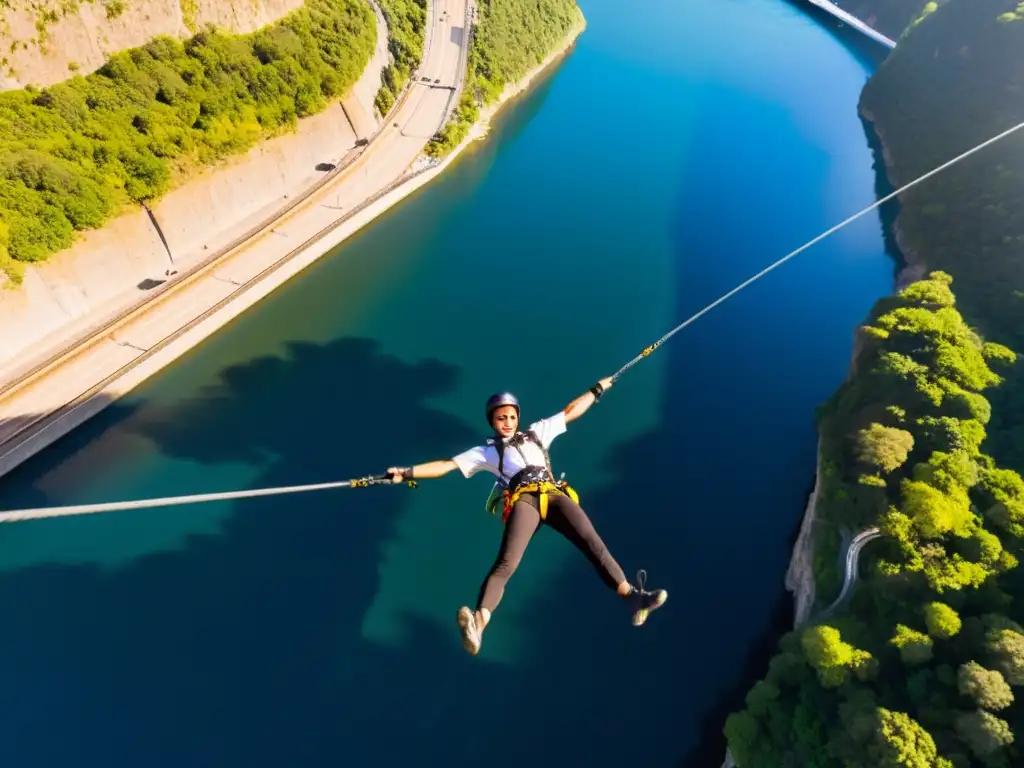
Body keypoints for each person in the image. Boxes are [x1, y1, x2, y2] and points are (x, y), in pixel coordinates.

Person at [386, 376, 668, 657]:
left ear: (517, 417)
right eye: (500, 418)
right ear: (492, 422)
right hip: (524, 500)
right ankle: (478, 623)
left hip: (554, 494)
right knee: (506, 562)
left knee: (592, 543)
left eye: (510, 416)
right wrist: (406, 472)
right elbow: (445, 465)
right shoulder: (486, 452)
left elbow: (571, 411)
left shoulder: (537, 432)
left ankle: (633, 598)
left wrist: (599, 388)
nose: (506, 422)